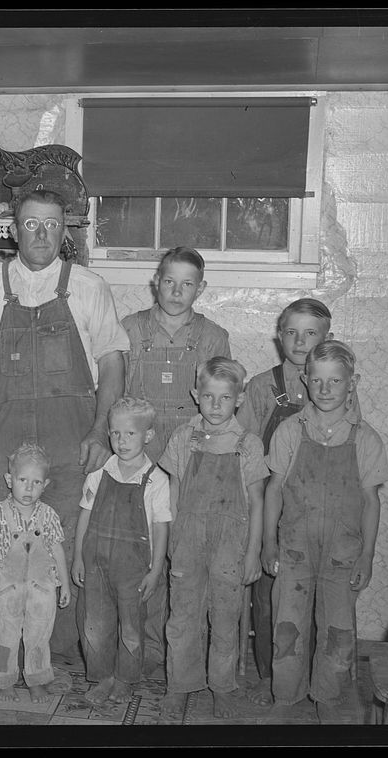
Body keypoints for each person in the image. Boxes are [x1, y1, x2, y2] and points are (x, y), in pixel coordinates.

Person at [0, 188, 130, 666]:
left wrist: (100, 431)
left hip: (70, 431)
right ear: (13, 230)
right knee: (1, 540)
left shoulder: (90, 286)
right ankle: (5, 650)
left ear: (66, 231)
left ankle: (50, 652)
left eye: (53, 224)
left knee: (62, 539)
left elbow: (112, 365)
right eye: (31, 224)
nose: (42, 234)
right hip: (0, 430)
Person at [261, 340, 388, 723]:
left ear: (353, 383)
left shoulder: (366, 439)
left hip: (341, 556)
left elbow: (371, 502)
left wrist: (366, 555)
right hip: (294, 552)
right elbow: (273, 490)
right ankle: (285, 698)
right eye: (317, 380)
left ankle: (328, 699)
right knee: (288, 629)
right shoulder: (289, 431)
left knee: (338, 633)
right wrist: (269, 543)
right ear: (305, 380)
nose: (326, 389)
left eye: (336, 381)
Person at [120, 246, 231, 675]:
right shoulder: (130, 329)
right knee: (144, 551)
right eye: (169, 281)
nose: (177, 291)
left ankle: (179, 654)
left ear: (200, 289)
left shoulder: (213, 336)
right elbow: (114, 396)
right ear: (156, 282)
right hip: (139, 457)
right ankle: (142, 649)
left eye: (188, 284)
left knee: (182, 556)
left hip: (190, 460)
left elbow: (220, 405)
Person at [235, 297, 340, 705]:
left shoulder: (338, 383)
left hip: (320, 511)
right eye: (291, 332)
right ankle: (269, 677)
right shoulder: (263, 386)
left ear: (325, 337)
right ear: (279, 337)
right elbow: (244, 452)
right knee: (268, 599)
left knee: (315, 601)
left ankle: (314, 679)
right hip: (272, 508)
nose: (300, 341)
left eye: (310, 333)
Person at [159, 358, 268, 720]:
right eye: (208, 396)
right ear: (195, 395)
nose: (216, 405)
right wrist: (174, 538)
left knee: (224, 618)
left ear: (239, 398)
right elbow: (173, 491)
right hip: (188, 540)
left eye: (225, 397)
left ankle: (222, 686)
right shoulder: (182, 438)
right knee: (183, 616)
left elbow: (256, 501)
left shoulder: (247, 445)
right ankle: (180, 684)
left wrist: (253, 553)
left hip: (230, 546)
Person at [71, 397, 171, 705]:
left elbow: (160, 527)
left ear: (148, 436)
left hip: (134, 568)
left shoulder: (156, 479)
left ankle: (126, 678)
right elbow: (84, 516)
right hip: (96, 563)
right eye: (115, 433)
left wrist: (155, 570)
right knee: (95, 625)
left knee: (131, 626)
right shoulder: (99, 474)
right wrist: (77, 557)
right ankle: (103, 677)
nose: (121, 441)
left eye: (130, 433)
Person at [0, 443, 71, 703]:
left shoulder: (49, 515)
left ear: (46, 484)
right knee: (5, 637)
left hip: (42, 590)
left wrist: (65, 583)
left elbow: (57, 549)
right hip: (9, 589)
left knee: (39, 637)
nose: (29, 488)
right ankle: (3, 680)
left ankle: (37, 679)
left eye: (36, 482)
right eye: (22, 480)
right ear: (9, 480)